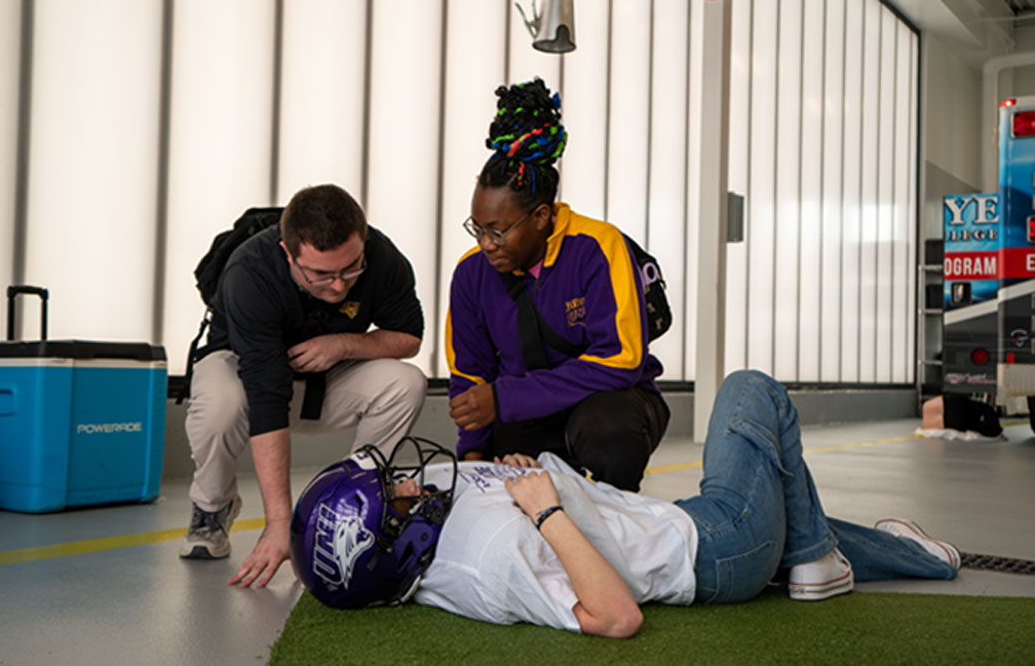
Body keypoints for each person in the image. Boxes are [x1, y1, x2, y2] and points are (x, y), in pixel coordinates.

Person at [291, 370, 959, 638]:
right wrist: (547, 511)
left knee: (787, 516)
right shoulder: (488, 564)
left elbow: (473, 491)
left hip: (680, 527)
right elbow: (614, 617)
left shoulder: (427, 521)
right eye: (394, 497)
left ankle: (918, 557)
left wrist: (514, 470)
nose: (406, 482)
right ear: (389, 548)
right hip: (717, 551)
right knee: (750, 392)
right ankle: (812, 558)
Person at [181, 184, 427, 590]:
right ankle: (212, 506)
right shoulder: (250, 273)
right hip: (246, 379)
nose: (338, 286)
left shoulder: (382, 256)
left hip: (324, 375)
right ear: (287, 252)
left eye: (350, 268)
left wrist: (345, 343)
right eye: (320, 274)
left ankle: (352, 507)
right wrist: (280, 526)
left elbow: (409, 337)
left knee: (407, 383)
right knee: (222, 402)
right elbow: (266, 394)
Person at [446, 78, 668, 492]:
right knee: (504, 461)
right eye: (477, 228)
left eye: (497, 231)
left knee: (607, 427)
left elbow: (621, 360)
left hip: (609, 404)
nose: (485, 244)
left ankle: (619, 513)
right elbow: (469, 375)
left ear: (541, 216)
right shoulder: (471, 273)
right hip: (528, 411)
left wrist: (507, 398)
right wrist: (473, 465)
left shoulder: (598, 247)